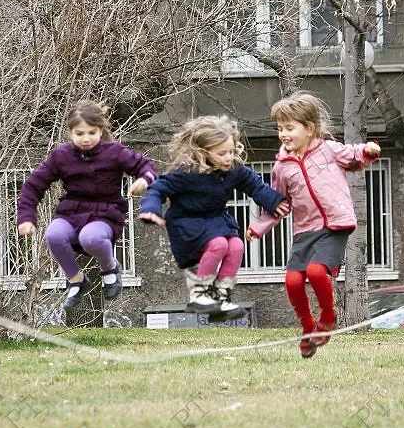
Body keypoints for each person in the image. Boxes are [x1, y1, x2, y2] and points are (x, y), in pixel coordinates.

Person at [246, 92, 380, 358]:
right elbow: (277, 202)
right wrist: (259, 226)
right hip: (304, 230)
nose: (283, 134)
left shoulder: (328, 150)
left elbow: (353, 154)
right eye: (280, 129)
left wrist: (368, 151)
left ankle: (329, 317)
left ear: (309, 129)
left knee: (318, 272)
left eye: (289, 128)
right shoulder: (282, 167)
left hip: (334, 226)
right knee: (293, 280)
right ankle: (309, 328)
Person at [139, 116, 288, 322]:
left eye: (231, 151)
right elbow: (157, 188)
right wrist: (151, 210)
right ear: (203, 152)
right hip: (187, 223)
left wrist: (273, 201)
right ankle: (199, 294)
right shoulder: (185, 172)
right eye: (222, 154)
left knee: (236, 246)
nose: (228, 158)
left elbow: (255, 185)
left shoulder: (233, 169)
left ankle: (221, 296)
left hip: (215, 220)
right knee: (218, 244)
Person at [17, 100, 158, 309]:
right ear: (70, 132)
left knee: (90, 238)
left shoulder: (114, 152)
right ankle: (76, 280)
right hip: (72, 212)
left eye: (91, 133)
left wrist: (143, 180)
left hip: (105, 213)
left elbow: (146, 167)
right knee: (53, 235)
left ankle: (110, 267)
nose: (86, 139)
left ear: (100, 131)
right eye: (79, 133)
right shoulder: (61, 156)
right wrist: (26, 217)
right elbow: (33, 186)